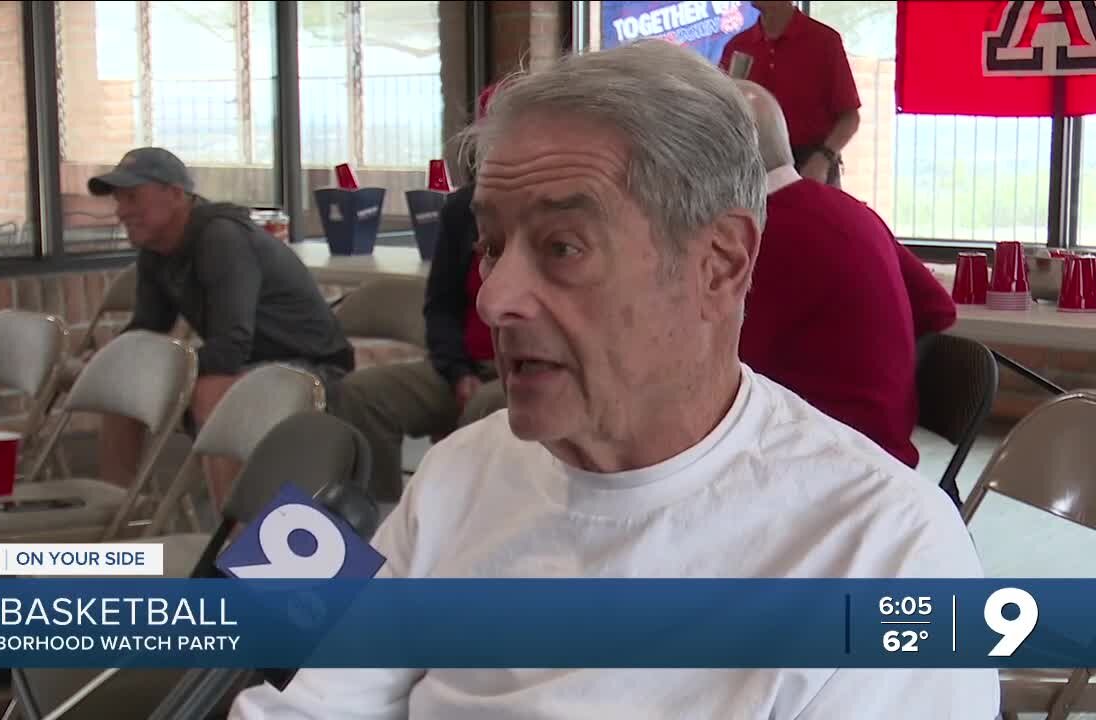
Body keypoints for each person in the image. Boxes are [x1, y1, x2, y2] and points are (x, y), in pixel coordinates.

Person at [231, 41, 997, 719]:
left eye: (562, 247)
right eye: (492, 245)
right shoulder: (462, 471)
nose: (494, 297)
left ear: (721, 263)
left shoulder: (882, 555)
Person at [89, 147, 354, 503]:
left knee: (213, 389)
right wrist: (113, 361)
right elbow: (148, 329)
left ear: (175, 194)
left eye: (132, 197)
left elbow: (230, 347)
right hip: (251, 365)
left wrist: (169, 372)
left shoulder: (221, 237)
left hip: (311, 369)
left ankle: (229, 541)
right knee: (124, 378)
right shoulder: (156, 246)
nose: (121, 211)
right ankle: (115, 513)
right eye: (119, 200)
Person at [735, 79, 956, 473]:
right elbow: (937, 309)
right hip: (884, 457)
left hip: (826, 468)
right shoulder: (852, 210)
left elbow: (713, 373)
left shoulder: (755, 237)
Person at [331, 86, 506, 502]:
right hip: (460, 367)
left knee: (487, 409)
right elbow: (441, 307)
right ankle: (381, 522)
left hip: (517, 372)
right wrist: (457, 370)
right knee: (361, 395)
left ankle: (459, 532)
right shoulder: (462, 211)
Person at [720, 0, 860, 187]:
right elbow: (725, 113)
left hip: (811, 165)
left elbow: (850, 118)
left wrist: (824, 158)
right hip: (754, 168)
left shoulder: (824, 41)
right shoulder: (738, 46)